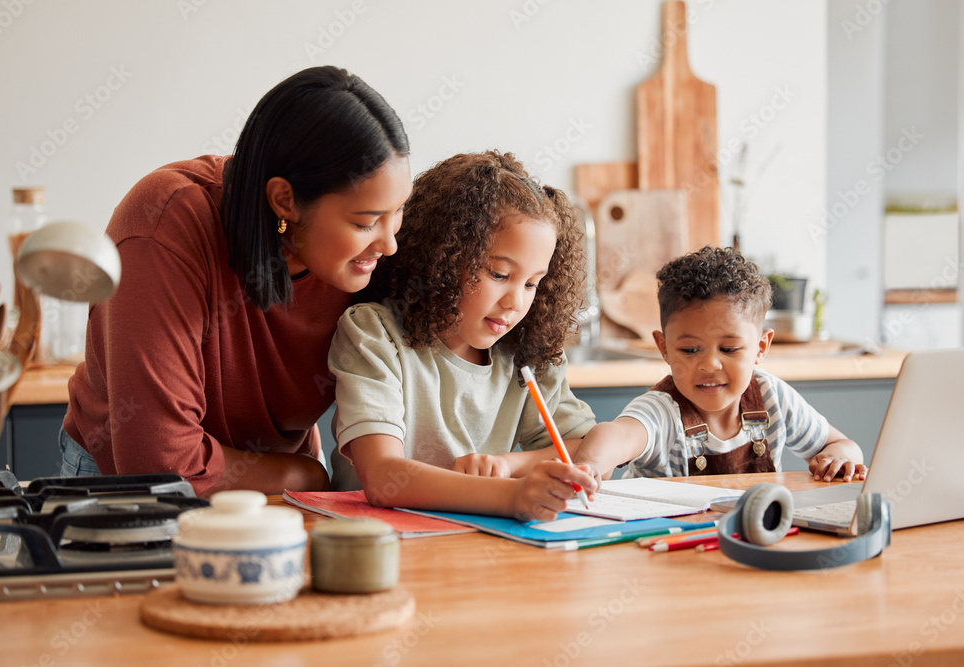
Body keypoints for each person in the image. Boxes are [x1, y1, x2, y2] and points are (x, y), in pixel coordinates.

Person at [60, 66, 413, 496]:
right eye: (366, 222)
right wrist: (307, 474)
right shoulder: (162, 228)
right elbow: (163, 466)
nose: (390, 244)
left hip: (279, 476)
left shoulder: (360, 256)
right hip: (131, 492)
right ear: (285, 200)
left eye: (398, 212)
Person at [328, 151, 598, 521]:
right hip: (371, 542)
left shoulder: (525, 355)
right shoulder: (376, 334)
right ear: (444, 257)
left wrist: (507, 465)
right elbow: (383, 477)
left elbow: (585, 449)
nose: (516, 302)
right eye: (499, 275)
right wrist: (508, 494)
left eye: (533, 283)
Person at [573, 246, 867, 483]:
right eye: (689, 349)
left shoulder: (771, 396)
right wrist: (591, 464)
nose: (710, 364)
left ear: (760, 347)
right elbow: (617, 434)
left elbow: (842, 445)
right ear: (664, 348)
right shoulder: (661, 411)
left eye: (729, 348)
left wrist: (840, 457)